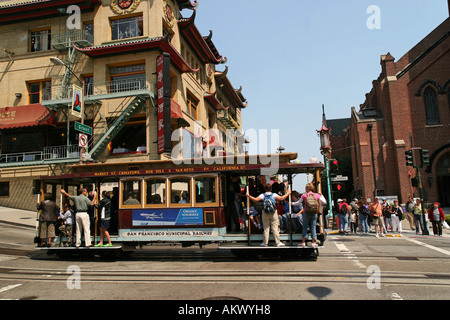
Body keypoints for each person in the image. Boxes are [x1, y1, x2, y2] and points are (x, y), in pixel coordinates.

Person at [299, 183, 326, 248]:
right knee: (313, 227)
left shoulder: (304, 195)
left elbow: (298, 203)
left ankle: (303, 242)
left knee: (305, 227)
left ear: (307, 189)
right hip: (314, 212)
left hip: (306, 212)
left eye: (306, 188)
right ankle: (313, 242)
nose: (305, 189)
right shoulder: (316, 195)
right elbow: (324, 202)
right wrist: (321, 195)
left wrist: (292, 203)